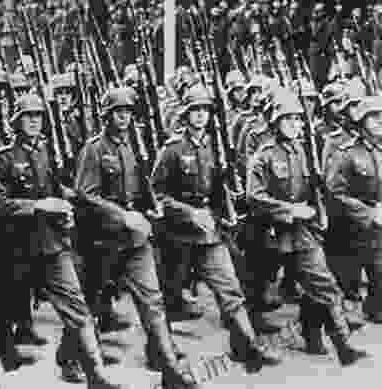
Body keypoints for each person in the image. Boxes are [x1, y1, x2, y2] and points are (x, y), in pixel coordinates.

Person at [0, 93, 125, 389]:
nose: (34, 121)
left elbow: (53, 186)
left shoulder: (47, 150)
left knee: (78, 308)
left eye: (38, 116)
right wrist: (38, 206)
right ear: (17, 121)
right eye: (28, 116)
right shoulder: (5, 156)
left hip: (52, 245)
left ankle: (95, 374)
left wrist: (68, 199)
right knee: (1, 313)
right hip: (16, 248)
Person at [152, 83, 282, 372]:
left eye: (205, 111)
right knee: (164, 297)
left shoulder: (216, 145)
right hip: (176, 236)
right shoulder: (172, 149)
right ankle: (158, 351)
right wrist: (188, 212)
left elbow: (219, 189)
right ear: (186, 114)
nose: (201, 116)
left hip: (210, 234)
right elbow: (157, 194)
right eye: (195, 111)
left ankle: (246, 347)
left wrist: (229, 204)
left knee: (231, 290)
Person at [76, 86, 199, 387]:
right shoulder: (94, 149)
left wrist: (150, 209)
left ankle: (169, 369)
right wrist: (122, 215)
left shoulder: (133, 145)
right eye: (118, 112)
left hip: (134, 241)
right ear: (106, 116)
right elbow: (85, 195)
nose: (124, 118)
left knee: (152, 301)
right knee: (89, 305)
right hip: (103, 241)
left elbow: (142, 187)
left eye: (128, 112)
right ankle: (70, 356)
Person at [247, 90, 369, 364]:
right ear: (275, 122)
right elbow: (254, 198)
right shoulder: (263, 156)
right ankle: (247, 345)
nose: (295, 125)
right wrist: (289, 210)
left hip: (301, 233)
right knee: (256, 290)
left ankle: (342, 346)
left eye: (297, 120)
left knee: (323, 284)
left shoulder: (304, 150)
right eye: (288, 119)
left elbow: (315, 188)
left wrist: (318, 211)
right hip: (269, 233)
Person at [327, 95, 382, 324]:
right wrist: (369, 214)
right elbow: (334, 193)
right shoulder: (346, 152)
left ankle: (375, 307)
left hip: (378, 226)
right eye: (374, 117)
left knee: (379, 270)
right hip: (351, 226)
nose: (380, 121)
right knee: (347, 278)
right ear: (361, 121)